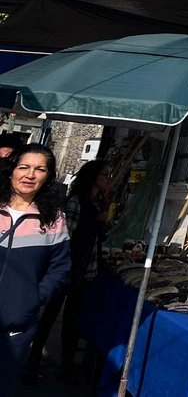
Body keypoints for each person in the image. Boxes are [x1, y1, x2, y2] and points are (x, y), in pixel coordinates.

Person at [24, 160, 110, 383]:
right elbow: (66, 237)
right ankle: (32, 362)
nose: (108, 179)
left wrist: (102, 221)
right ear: (93, 176)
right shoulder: (76, 202)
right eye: (105, 174)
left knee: (73, 319)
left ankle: (66, 366)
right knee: (50, 317)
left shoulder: (98, 202)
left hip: (85, 270)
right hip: (68, 269)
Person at [0, 145, 70, 397]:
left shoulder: (54, 219)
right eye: (24, 167)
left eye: (40, 169)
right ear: (11, 171)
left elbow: (60, 269)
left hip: (15, 326)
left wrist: (33, 297)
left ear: (47, 177)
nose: (30, 175)